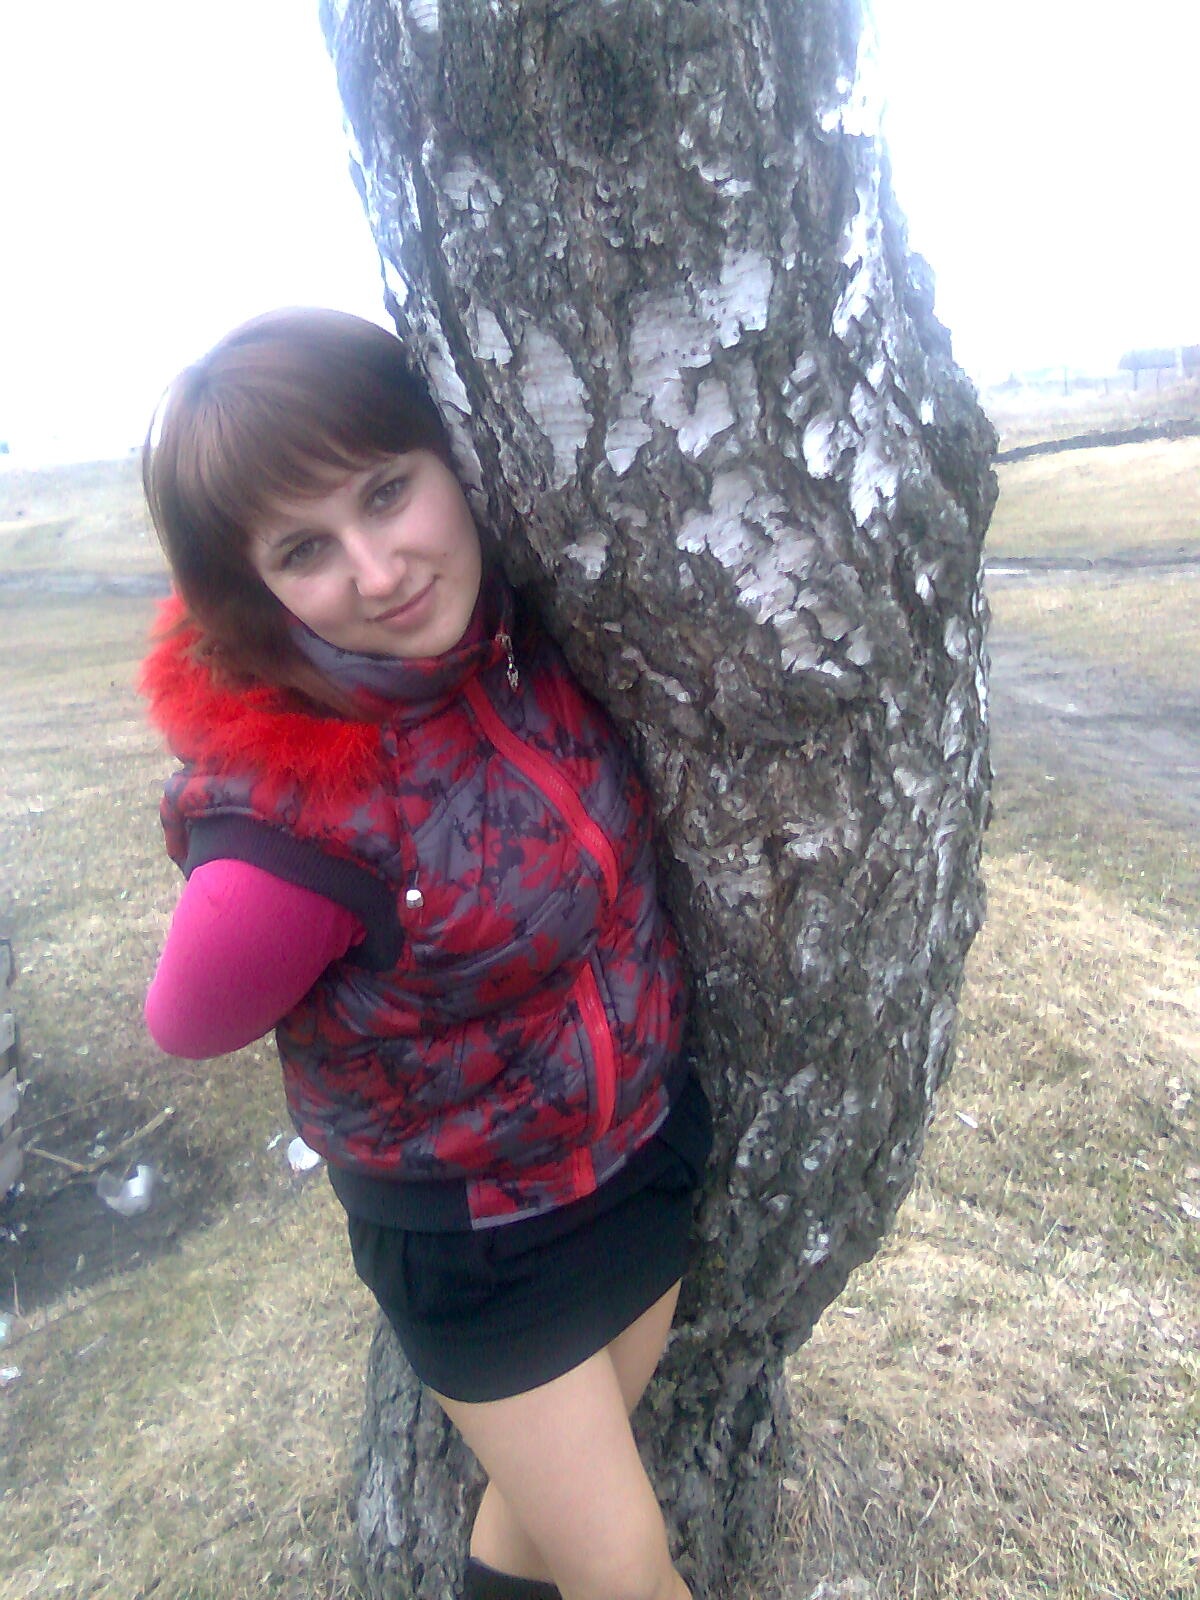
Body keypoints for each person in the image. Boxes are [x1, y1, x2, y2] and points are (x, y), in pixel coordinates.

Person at [139, 308, 711, 1600]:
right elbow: (187, 1019)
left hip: (638, 1157)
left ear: (455, 454)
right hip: (484, 1247)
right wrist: (271, 877)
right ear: (252, 593)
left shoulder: (527, 626)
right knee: (628, 1570)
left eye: (387, 490)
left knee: (544, 1521)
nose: (378, 568)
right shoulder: (297, 816)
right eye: (304, 550)